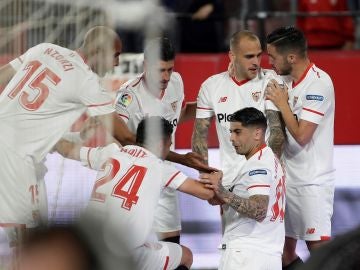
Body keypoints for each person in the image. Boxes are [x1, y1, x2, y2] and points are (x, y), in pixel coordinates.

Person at [0, 26, 137, 246]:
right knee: (28, 241)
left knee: (35, 236)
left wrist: (80, 136)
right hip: (15, 157)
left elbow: (2, 75)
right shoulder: (86, 81)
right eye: (115, 56)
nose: (116, 64)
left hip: (21, 156)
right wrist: (172, 156)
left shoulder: (44, 49)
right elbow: (127, 138)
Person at [54, 116, 215, 270]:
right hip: (125, 253)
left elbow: (67, 150)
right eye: (169, 144)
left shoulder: (110, 153)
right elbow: (206, 193)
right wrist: (216, 175)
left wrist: (48, 140)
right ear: (161, 143)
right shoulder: (159, 167)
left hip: (88, 246)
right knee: (185, 255)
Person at [114, 37, 207, 244]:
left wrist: (212, 107)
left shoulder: (176, 82)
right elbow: (125, 139)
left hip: (165, 179)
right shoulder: (128, 97)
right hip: (136, 181)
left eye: (169, 69)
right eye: (160, 70)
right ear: (145, 65)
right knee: (134, 251)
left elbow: (177, 116)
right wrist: (184, 159)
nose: (165, 76)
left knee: (172, 246)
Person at [266, 26, 335, 269]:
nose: (269, 62)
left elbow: (302, 135)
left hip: (312, 183)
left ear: (291, 58)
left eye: (273, 57)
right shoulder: (285, 78)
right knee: (284, 252)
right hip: (288, 180)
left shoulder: (319, 84)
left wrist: (283, 104)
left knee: (320, 253)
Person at [192, 30, 285, 191]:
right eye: (249, 57)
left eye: (258, 55)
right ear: (232, 56)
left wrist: (268, 174)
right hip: (229, 183)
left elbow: (276, 133)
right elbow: (199, 137)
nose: (256, 62)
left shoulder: (270, 81)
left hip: (264, 179)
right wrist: (208, 182)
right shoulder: (211, 86)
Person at [200, 107, 285, 270]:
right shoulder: (269, 158)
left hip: (246, 255)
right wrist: (222, 193)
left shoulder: (257, 165)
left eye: (237, 132)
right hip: (267, 255)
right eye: (231, 132)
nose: (231, 138)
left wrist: (222, 191)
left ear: (257, 134)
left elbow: (259, 210)